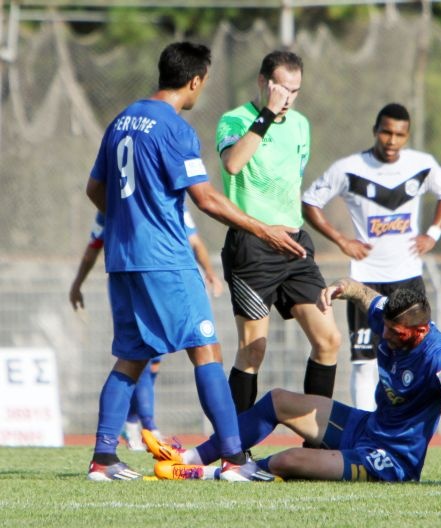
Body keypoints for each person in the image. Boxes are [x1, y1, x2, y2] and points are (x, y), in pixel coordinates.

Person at [85, 41, 306, 482]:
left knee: (131, 357)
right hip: (165, 258)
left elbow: (94, 189)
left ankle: (103, 459)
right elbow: (205, 199)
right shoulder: (175, 128)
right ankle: (235, 460)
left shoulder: (122, 120)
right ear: (195, 80)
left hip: (123, 258)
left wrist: (130, 220)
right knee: (207, 350)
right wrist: (263, 229)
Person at [142, 278, 441, 485]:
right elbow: (363, 293)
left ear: (421, 331)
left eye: (394, 332)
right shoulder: (393, 316)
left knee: (289, 460)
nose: (384, 334)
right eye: (384, 326)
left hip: (389, 460)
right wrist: (342, 287)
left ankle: (222, 473)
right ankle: (192, 457)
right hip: (366, 427)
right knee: (278, 400)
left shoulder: (439, 358)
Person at [302, 103, 441, 411]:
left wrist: (433, 234)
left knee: (415, 357)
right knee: (364, 362)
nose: (391, 140)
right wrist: (342, 240)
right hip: (365, 281)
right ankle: (364, 429)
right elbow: (309, 202)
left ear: (407, 136)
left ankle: (405, 426)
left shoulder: (421, 165)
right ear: (375, 131)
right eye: (386, 132)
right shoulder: (349, 168)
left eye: (399, 134)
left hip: (408, 279)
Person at [216, 50, 340, 413]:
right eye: (282, 89)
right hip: (253, 246)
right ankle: (235, 442)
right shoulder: (234, 120)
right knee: (253, 350)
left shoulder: (300, 125)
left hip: (295, 246)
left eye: (295, 91)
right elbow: (233, 164)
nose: (288, 98)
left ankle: (316, 437)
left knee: (329, 340)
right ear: (263, 82)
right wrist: (267, 115)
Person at [69, 210, 224, 450]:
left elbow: (194, 240)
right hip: (141, 277)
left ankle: (131, 424)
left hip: (161, 277)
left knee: (150, 360)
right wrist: (77, 283)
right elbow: (94, 245)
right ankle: (147, 427)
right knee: (142, 355)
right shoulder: (114, 207)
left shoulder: (167, 203)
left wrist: (210, 272)